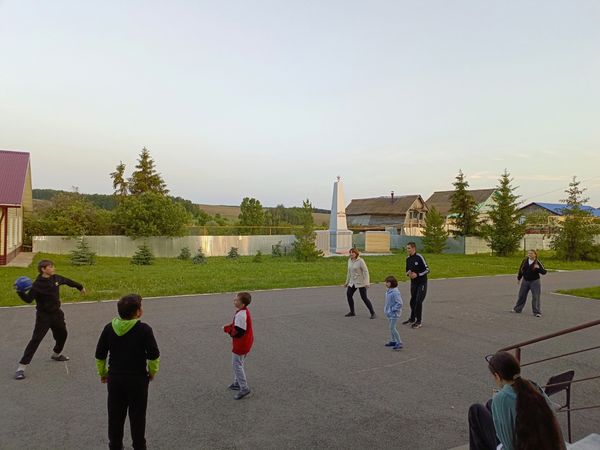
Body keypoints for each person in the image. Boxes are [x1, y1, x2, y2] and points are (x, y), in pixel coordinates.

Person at [95, 294, 160, 450]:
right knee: (138, 416)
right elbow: (153, 355)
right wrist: (152, 371)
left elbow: (100, 355)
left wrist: (103, 373)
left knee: (115, 415)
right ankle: (139, 445)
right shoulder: (144, 330)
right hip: (137, 379)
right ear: (137, 312)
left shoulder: (109, 328)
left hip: (115, 379)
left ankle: (115, 445)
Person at [468, 351, 566, 450]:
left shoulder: (502, 398)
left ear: (497, 376)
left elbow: (508, 445)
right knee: (490, 404)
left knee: (475, 410)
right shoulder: (532, 386)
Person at [14, 259, 86, 380]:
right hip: (44, 316)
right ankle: (21, 368)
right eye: (51, 267)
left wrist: (80, 287)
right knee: (36, 340)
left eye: (53, 266)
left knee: (63, 334)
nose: (53, 268)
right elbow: (28, 299)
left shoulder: (56, 278)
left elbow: (68, 281)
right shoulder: (37, 285)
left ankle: (56, 354)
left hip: (57, 314)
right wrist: (20, 292)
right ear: (43, 269)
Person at [223, 292, 254, 400]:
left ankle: (244, 388)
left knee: (236, 365)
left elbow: (238, 332)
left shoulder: (241, 315)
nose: (234, 301)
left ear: (243, 304)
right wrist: (229, 326)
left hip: (241, 344)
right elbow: (237, 326)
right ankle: (237, 383)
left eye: (236, 300)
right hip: (246, 342)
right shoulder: (243, 312)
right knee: (239, 363)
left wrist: (228, 330)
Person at [511, 249, 547, 317]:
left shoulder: (537, 262)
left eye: (531, 253)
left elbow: (544, 272)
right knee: (521, 295)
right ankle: (517, 309)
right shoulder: (525, 261)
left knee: (535, 296)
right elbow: (521, 269)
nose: (529, 255)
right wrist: (519, 278)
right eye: (529, 253)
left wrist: (538, 268)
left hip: (535, 281)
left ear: (535, 255)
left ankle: (537, 312)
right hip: (525, 281)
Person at [344, 248, 376, 319]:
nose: (351, 254)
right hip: (352, 282)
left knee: (364, 298)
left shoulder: (361, 261)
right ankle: (352, 312)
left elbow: (366, 271)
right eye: (350, 252)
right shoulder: (349, 260)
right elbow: (349, 272)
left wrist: (367, 282)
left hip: (361, 282)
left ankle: (373, 313)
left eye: (353, 252)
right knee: (349, 295)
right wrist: (347, 282)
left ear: (356, 253)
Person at [403, 242, 429, 328]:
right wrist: (408, 274)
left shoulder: (419, 257)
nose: (407, 250)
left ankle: (418, 321)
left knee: (418, 301)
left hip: (422, 283)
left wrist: (417, 274)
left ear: (414, 248)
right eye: (407, 248)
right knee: (412, 301)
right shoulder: (408, 259)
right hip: (413, 283)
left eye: (409, 248)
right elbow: (407, 270)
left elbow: (427, 270)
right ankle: (412, 318)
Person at [383, 276, 403, 350]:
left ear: (392, 283)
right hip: (389, 313)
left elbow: (400, 303)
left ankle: (399, 342)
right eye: (386, 282)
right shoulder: (389, 291)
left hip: (394, 314)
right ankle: (393, 341)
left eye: (387, 282)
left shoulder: (395, 292)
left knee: (392, 328)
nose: (386, 284)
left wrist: (393, 309)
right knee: (391, 328)